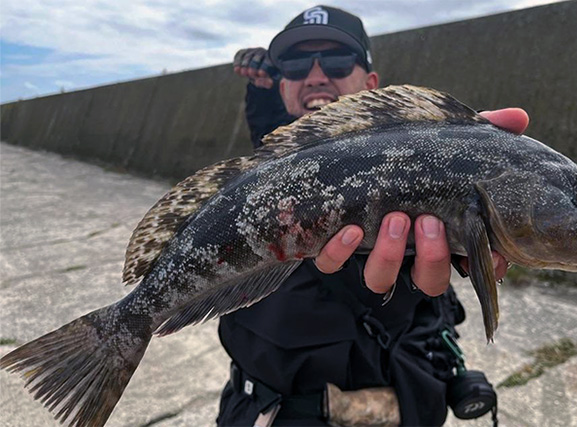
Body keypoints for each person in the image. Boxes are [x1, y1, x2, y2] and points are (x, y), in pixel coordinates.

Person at [218, 5, 529, 426]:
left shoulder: (420, 154)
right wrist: (261, 89)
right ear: (281, 87)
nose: (315, 74)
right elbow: (278, 141)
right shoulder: (269, 173)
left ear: (371, 84)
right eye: (293, 63)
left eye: (337, 59)